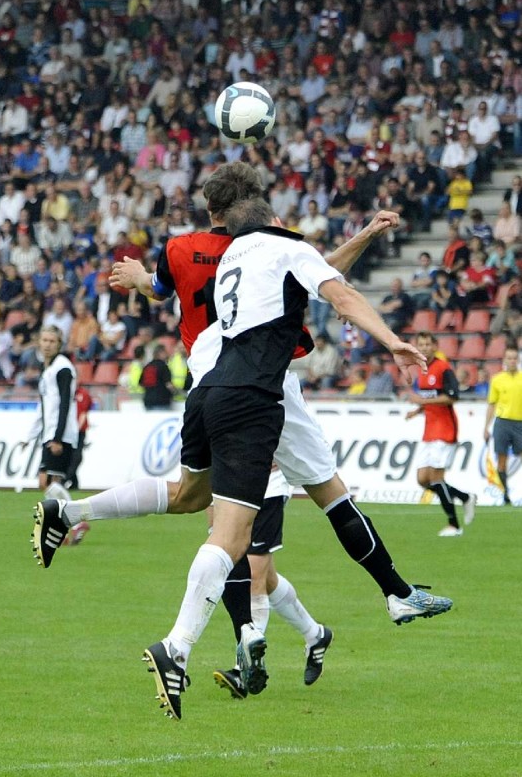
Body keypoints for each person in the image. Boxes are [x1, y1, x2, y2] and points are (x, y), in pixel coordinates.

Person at [32, 165, 452, 720]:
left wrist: (141, 282)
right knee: (252, 531)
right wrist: (394, 340)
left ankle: (71, 509)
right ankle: (179, 645)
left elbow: (162, 288)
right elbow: (337, 291)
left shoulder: (222, 255)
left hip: (206, 384)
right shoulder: (284, 250)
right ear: (273, 219)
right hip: (262, 394)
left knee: (190, 495)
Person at [214, 467, 333, 698]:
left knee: (253, 576)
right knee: (267, 578)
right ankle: (316, 635)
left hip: (268, 485)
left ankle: (243, 668)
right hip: (235, 483)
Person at [405, 331, 477, 537]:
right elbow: (430, 399)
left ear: (435, 346)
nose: (425, 347)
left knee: (436, 479)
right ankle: (464, 497)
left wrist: (422, 403)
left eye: (428, 344)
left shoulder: (444, 368)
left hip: (445, 430)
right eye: (421, 344)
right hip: (429, 429)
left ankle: (454, 525)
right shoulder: (422, 370)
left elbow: (453, 397)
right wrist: (417, 411)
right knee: (422, 479)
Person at [25, 325, 78, 504]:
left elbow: (65, 405)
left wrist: (57, 438)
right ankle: (66, 522)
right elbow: (44, 407)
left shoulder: (63, 369)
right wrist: (31, 435)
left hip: (61, 434)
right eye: (45, 340)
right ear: (39, 342)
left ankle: (74, 519)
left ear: (59, 344)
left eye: (52, 341)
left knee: (51, 482)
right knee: (45, 483)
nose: (47, 345)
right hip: (49, 433)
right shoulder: (48, 369)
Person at [484, 346, 522, 505]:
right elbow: (492, 404)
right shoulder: (497, 380)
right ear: (504, 360)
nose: (512, 361)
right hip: (502, 423)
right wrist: (486, 426)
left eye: (515, 358)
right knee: (501, 459)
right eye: (509, 358)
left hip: (520, 422)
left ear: (518, 360)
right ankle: (505, 492)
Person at [139, 343, 174, 410]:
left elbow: (141, 383)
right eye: (165, 352)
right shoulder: (163, 366)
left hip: (148, 401)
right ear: (161, 353)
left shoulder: (147, 366)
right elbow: (169, 385)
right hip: (162, 401)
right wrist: (176, 392)